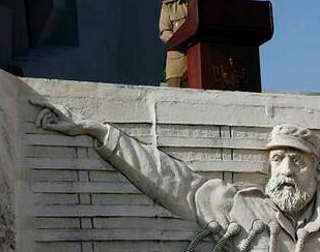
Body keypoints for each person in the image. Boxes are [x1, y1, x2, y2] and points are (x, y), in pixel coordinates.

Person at [32, 98, 320, 251]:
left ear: (316, 170)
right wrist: (101, 132)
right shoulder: (241, 209)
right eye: (278, 159)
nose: (286, 172)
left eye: (298, 161)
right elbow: (175, 182)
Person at [159, 0, 202, 87]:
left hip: (199, 65)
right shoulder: (169, 6)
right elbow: (164, 33)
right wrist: (184, 42)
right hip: (177, 66)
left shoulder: (204, 7)